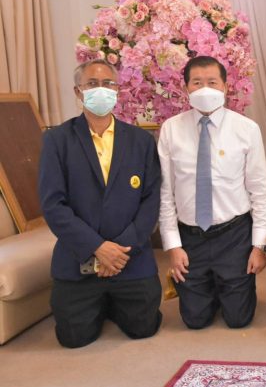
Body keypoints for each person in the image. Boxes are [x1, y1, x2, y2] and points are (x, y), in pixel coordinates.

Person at [38, 59, 162, 348]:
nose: (101, 89)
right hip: (79, 259)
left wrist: (118, 250)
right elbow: (53, 204)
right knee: (73, 338)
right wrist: (97, 248)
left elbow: (151, 200)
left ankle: (111, 304)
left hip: (129, 257)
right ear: (78, 91)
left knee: (143, 328)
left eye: (108, 83)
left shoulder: (141, 141)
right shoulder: (57, 140)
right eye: (92, 84)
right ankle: (100, 304)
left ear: (117, 90)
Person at [158, 55, 266, 330]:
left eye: (212, 82)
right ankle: (206, 285)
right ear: (185, 88)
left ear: (225, 86)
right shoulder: (171, 129)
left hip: (233, 235)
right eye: (197, 83)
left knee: (238, 319)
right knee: (195, 320)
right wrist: (173, 246)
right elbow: (165, 193)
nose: (205, 89)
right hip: (191, 236)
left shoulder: (246, 129)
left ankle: (227, 284)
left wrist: (259, 246)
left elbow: (260, 192)